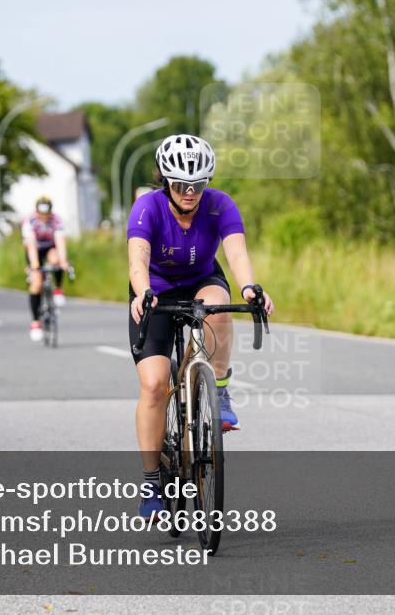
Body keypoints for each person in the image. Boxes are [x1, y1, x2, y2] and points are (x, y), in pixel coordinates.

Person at [127, 134, 274, 519]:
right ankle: (151, 482)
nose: (190, 192)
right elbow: (137, 260)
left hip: (201, 280)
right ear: (165, 181)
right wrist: (143, 292)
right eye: (181, 185)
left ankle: (218, 390)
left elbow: (236, 251)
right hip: (154, 291)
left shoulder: (220, 205)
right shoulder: (147, 208)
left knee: (219, 307)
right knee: (155, 385)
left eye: (197, 185)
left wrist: (250, 288)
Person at [21, 196, 69, 342]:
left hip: (50, 247)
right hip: (34, 249)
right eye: (41, 214)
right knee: (36, 283)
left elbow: (60, 242)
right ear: (36, 212)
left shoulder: (56, 220)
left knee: (56, 260)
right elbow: (31, 244)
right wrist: (34, 265)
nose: (44, 217)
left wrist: (63, 261)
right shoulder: (29, 221)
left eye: (47, 214)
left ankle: (58, 289)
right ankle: (36, 322)